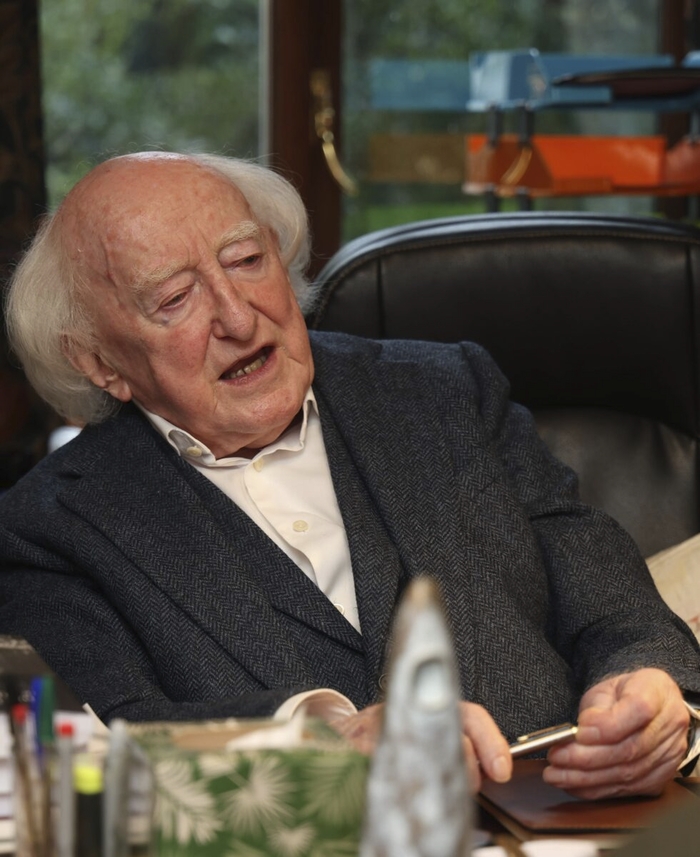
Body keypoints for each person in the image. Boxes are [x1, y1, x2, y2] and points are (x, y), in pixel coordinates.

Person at [1, 151, 699, 801]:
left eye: (247, 260)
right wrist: (321, 742)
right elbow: (104, 750)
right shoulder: (48, 530)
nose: (239, 316)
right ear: (100, 362)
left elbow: (615, 610)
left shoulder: (447, 391)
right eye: (175, 298)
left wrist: (651, 693)